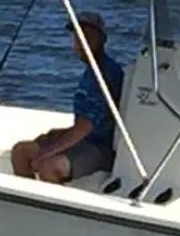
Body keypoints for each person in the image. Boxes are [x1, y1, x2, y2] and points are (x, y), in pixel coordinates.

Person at [10, 11, 125, 183]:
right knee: (21, 151)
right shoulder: (89, 72)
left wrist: (48, 152)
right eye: (77, 38)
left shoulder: (107, 73)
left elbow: (86, 126)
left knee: (49, 166)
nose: (82, 43)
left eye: (88, 37)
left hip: (100, 147)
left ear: (102, 39)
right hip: (83, 140)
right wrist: (63, 133)